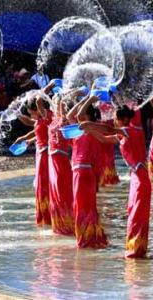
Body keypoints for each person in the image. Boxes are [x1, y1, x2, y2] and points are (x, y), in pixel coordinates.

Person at [81, 105, 152, 258]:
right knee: (132, 212)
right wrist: (88, 130)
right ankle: (134, 247)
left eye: (116, 118)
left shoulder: (132, 130)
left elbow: (110, 130)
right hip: (136, 177)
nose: (113, 121)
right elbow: (103, 138)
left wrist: (89, 124)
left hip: (141, 178)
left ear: (124, 119)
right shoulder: (122, 134)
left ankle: (137, 250)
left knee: (137, 215)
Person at [67, 96, 108, 248]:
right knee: (84, 206)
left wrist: (89, 99)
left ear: (87, 116)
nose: (79, 116)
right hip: (81, 172)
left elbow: (75, 116)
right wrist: (83, 100)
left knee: (82, 206)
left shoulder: (89, 127)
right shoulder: (80, 130)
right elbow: (70, 116)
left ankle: (86, 239)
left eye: (82, 113)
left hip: (83, 171)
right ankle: (89, 237)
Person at [15, 95, 52, 226]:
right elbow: (36, 129)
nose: (31, 115)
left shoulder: (47, 116)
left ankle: (48, 215)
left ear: (37, 109)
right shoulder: (41, 120)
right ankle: (44, 216)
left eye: (31, 112)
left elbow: (38, 101)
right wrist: (26, 139)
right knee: (40, 186)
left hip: (46, 155)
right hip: (40, 153)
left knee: (44, 186)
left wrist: (39, 93)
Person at [46, 94, 74, 235]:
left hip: (60, 158)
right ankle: (58, 225)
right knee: (55, 191)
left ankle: (67, 224)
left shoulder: (64, 120)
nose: (56, 105)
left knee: (61, 190)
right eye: (55, 103)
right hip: (52, 158)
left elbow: (64, 113)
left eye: (59, 104)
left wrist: (64, 100)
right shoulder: (53, 119)